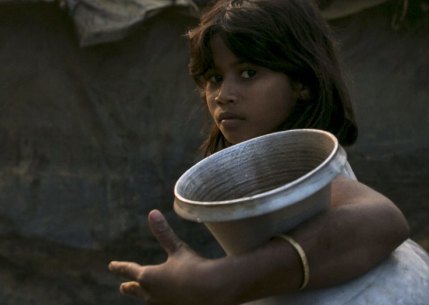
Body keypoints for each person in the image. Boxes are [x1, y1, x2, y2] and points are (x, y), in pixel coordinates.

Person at [108, 0, 410, 304]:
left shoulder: (304, 170)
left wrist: (216, 280)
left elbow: (385, 219)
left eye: (249, 73)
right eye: (215, 78)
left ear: (301, 83)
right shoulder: (256, 176)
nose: (223, 95)